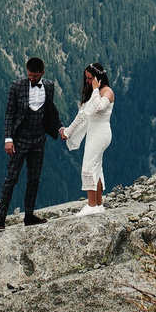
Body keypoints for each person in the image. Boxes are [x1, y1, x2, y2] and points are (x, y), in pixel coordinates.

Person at [0, 56, 63, 228]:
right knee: (11, 178)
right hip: (19, 140)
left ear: (42, 73)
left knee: (34, 179)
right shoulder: (16, 86)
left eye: (35, 76)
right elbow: (9, 114)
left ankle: (29, 215)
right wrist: (8, 139)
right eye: (30, 76)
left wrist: (60, 127)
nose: (32, 79)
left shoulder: (49, 86)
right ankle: (0, 219)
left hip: (39, 139)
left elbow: (50, 111)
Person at [61, 62, 115, 214]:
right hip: (94, 132)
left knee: (88, 167)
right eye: (86, 78)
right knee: (96, 167)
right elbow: (82, 116)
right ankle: (98, 204)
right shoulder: (95, 92)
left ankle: (91, 206)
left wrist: (96, 89)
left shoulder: (106, 92)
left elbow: (99, 108)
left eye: (90, 78)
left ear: (98, 78)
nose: (87, 81)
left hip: (101, 133)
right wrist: (68, 131)